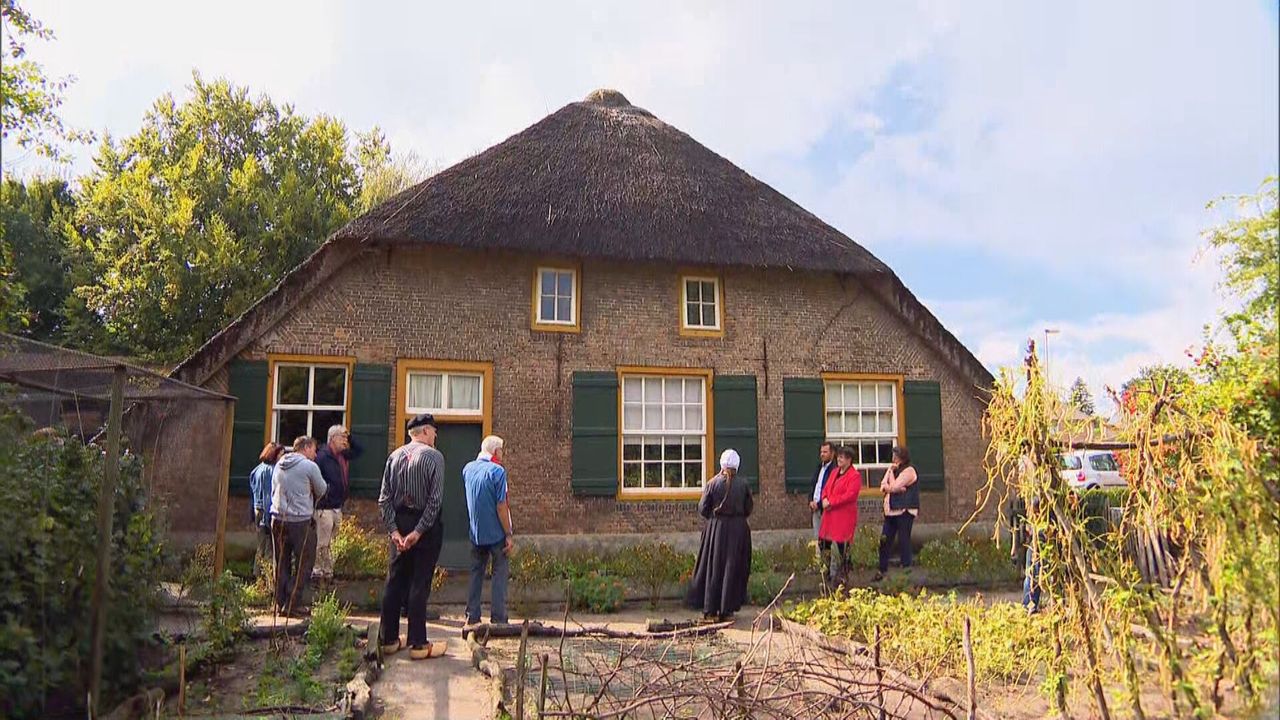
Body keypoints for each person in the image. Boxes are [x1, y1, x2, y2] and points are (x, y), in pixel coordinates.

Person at [377, 413, 448, 660]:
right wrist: (419, 531)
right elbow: (435, 500)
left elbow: (384, 499)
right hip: (423, 525)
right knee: (420, 581)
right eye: (434, 432)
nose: (436, 436)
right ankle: (418, 643)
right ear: (426, 431)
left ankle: (388, 638)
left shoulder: (394, 456)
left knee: (395, 579)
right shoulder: (434, 457)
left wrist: (395, 531)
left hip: (399, 521)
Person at [686, 449, 754, 623]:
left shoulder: (712, 483)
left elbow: (703, 509)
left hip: (717, 529)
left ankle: (710, 608)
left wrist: (715, 518)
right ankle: (727, 609)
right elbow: (748, 508)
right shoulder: (744, 484)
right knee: (733, 568)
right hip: (738, 530)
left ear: (722, 465)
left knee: (713, 567)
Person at [270, 436, 327, 616]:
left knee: (281, 562)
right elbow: (322, 490)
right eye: (314, 449)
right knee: (305, 563)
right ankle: (292, 604)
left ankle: (279, 603)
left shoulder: (279, 464)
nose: (316, 454)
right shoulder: (309, 466)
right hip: (300, 520)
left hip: (277, 518)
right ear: (306, 447)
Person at [463, 435, 515, 626]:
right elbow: (501, 506)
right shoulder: (497, 472)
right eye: (501, 450)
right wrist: (508, 533)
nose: (503, 454)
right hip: (496, 533)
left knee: (476, 572)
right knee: (499, 572)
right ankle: (498, 617)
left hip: (476, 532)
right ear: (495, 451)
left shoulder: (467, 469)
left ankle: (472, 615)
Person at [313, 424, 363, 586]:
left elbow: (360, 451)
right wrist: (324, 493)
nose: (345, 441)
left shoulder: (343, 455)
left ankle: (329, 572)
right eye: (342, 437)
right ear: (333, 439)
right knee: (322, 542)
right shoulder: (322, 456)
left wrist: (350, 436)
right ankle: (317, 573)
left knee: (333, 542)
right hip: (324, 507)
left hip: (337, 506)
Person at [818, 446, 862, 585]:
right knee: (823, 543)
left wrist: (831, 501)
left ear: (849, 460)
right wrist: (824, 498)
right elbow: (826, 487)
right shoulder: (835, 472)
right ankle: (826, 573)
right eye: (838, 457)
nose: (839, 459)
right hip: (829, 515)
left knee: (842, 545)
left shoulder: (854, 476)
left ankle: (844, 574)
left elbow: (849, 495)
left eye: (842, 457)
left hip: (843, 516)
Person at [875, 446, 918, 581]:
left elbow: (893, 486)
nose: (893, 458)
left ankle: (906, 573)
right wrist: (892, 486)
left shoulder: (909, 471)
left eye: (896, 455)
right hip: (891, 511)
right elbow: (883, 485)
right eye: (893, 455)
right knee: (884, 540)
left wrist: (892, 485)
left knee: (904, 540)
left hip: (904, 510)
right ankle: (882, 570)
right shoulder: (892, 468)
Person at [249, 441, 285, 577]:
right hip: (266, 510)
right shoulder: (272, 471)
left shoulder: (256, 470)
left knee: (260, 546)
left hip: (257, 509)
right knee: (270, 547)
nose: (282, 457)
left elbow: (252, 495)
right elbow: (268, 496)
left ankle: (257, 574)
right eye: (281, 454)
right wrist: (268, 519)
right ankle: (268, 578)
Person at [809, 441, 838, 571]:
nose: (822, 454)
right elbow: (813, 485)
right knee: (819, 540)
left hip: (826, 510)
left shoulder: (835, 470)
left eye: (825, 452)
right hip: (815, 508)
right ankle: (823, 568)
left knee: (829, 541)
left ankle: (832, 569)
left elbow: (830, 490)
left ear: (832, 453)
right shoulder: (819, 467)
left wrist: (819, 504)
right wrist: (810, 500)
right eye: (821, 452)